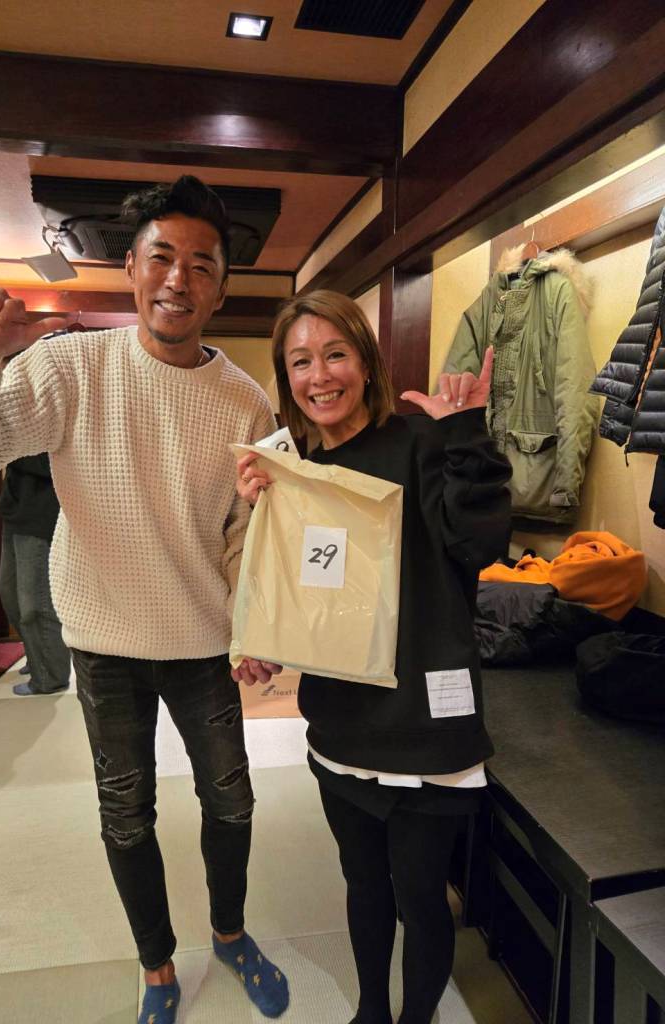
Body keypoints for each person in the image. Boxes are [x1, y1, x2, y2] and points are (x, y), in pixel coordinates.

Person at [0, 176, 289, 1024]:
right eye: (162, 258)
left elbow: (247, 533)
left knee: (232, 800)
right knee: (126, 813)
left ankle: (230, 934)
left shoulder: (245, 400)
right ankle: (156, 966)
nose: (178, 279)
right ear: (131, 268)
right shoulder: (71, 367)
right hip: (105, 639)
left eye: (201, 265)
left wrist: (259, 625)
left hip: (203, 639)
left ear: (221, 288)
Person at [234, 291, 511, 1024]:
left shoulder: (421, 440)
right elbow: (308, 592)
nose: (319, 376)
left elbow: (480, 544)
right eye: (300, 362)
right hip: (343, 719)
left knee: (420, 894)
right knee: (363, 884)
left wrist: (466, 433)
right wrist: (265, 525)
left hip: (426, 719)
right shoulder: (293, 467)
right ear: (286, 377)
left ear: (365, 360)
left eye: (335, 354)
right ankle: (370, 1013)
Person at [0, 452, 72, 695]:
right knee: (10, 596)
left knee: (36, 603)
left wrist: (12, 447)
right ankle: (36, 657)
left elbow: (53, 462)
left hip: (42, 513)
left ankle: (50, 677)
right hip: (15, 505)